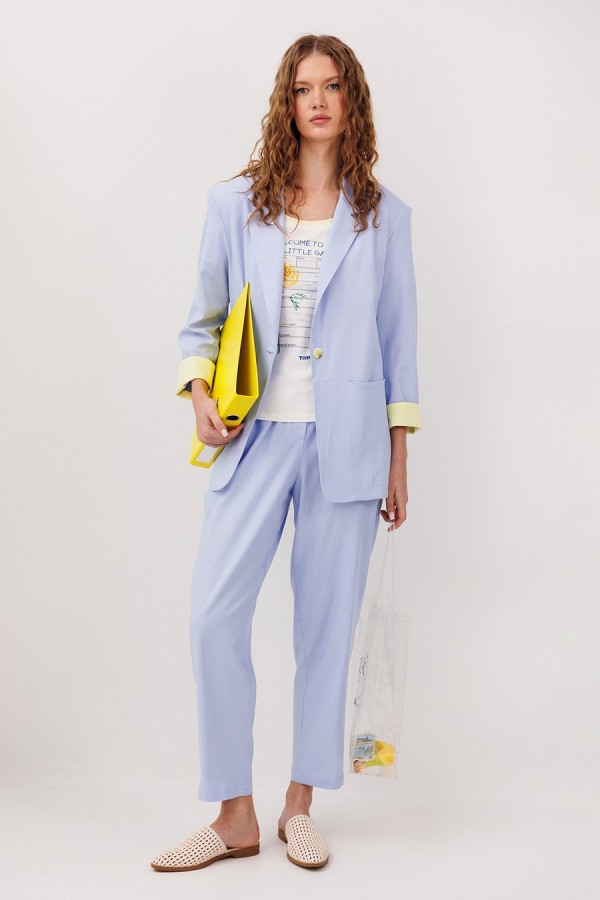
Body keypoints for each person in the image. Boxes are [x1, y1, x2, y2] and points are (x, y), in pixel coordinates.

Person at [150, 33, 422, 873]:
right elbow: (200, 321)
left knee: (325, 630)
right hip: (254, 437)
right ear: (287, 100)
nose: (318, 101)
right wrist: (200, 396)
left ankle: (300, 803)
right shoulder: (236, 205)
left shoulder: (384, 217)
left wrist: (398, 457)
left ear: (352, 100)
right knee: (212, 615)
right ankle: (234, 813)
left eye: (333, 86)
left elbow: (399, 342)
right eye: (304, 88)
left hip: (347, 443)